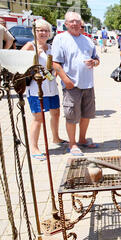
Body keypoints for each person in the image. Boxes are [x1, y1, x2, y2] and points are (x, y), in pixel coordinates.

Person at [52, 11, 100, 157]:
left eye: (76, 21)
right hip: (72, 85)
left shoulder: (88, 40)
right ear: (66, 24)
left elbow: (97, 59)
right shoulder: (60, 39)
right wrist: (66, 80)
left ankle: (82, 139)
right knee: (72, 115)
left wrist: (94, 62)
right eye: (71, 21)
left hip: (88, 84)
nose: (74, 24)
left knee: (87, 114)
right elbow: (55, 63)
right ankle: (72, 144)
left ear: (81, 24)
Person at [22, 19, 66, 160]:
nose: (43, 33)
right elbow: (19, 62)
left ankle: (56, 138)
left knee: (56, 113)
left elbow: (56, 66)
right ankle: (34, 147)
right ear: (34, 31)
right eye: (40, 30)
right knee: (38, 118)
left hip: (51, 86)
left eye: (46, 30)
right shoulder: (30, 46)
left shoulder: (51, 47)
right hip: (35, 88)